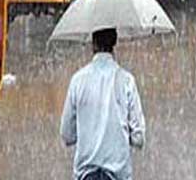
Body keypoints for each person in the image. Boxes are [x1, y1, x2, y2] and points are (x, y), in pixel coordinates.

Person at [60, 28, 145, 180]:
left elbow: (67, 135)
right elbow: (138, 138)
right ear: (115, 42)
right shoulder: (126, 81)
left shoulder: (78, 81)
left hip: (85, 175)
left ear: (93, 44)